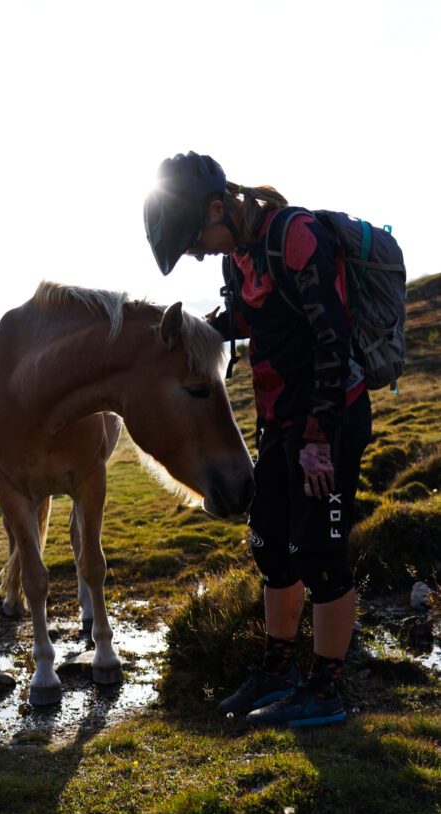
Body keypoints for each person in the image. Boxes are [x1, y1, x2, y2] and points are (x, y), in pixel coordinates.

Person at [144, 152, 372, 727]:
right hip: (279, 423)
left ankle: (326, 690)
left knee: (320, 552)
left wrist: (319, 438)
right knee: (270, 544)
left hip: (329, 419)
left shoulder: (296, 238)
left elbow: (332, 340)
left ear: (218, 207)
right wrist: (184, 338)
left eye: (197, 239)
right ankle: (277, 671)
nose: (199, 253)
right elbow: (246, 320)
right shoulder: (241, 258)